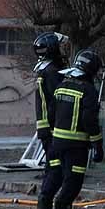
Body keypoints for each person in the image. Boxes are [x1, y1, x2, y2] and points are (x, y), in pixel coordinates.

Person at [35, 49, 103, 209]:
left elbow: (50, 114)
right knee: (73, 180)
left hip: (56, 143)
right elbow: (89, 120)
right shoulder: (88, 90)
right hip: (77, 145)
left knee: (54, 176)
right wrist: (97, 144)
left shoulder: (61, 86)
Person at [32, 32, 71, 163]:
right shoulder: (53, 72)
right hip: (52, 127)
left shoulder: (44, 69)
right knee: (55, 166)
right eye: (60, 46)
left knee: (53, 163)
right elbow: (57, 100)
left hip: (45, 126)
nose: (63, 50)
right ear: (53, 49)